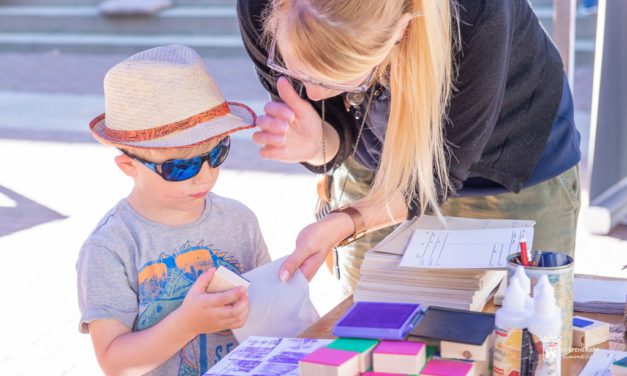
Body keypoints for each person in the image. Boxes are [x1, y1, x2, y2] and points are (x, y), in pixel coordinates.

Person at [237, 0, 581, 294]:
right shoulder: (261, 7)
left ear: (402, 30)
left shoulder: (476, 11)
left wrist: (347, 222)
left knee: (523, 334)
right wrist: (318, 144)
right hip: (376, 170)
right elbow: (336, 136)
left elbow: (437, 174)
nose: (312, 94)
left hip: (507, 166)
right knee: (369, 340)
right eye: (298, 72)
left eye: (337, 80)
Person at [76, 44, 271, 375]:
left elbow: (267, 309)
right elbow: (114, 362)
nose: (205, 177)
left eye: (217, 153)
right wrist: (187, 323)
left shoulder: (239, 220)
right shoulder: (111, 247)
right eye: (181, 167)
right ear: (128, 166)